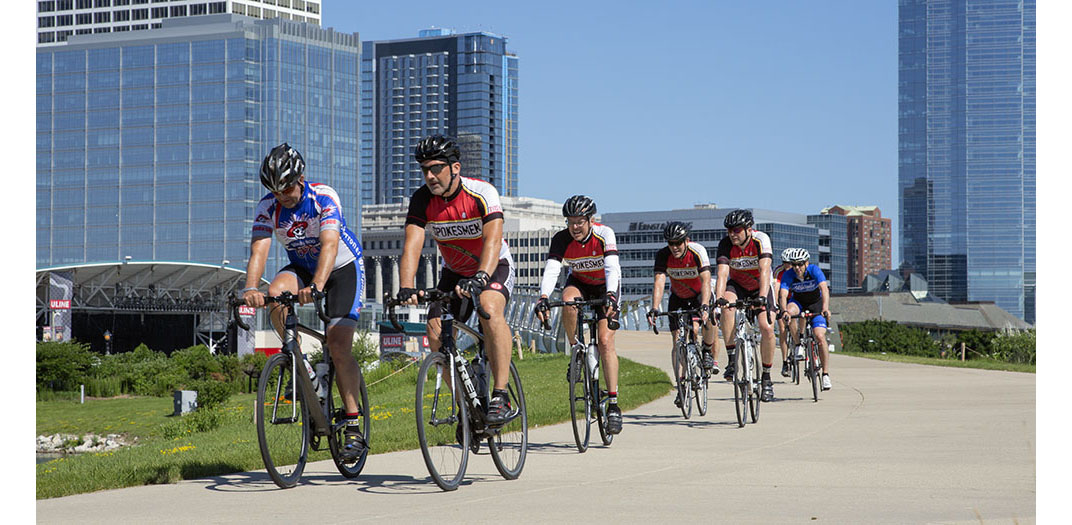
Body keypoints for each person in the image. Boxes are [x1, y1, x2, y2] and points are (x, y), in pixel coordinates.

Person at [242, 142, 367, 461]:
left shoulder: (323, 197)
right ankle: (304, 369)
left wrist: (318, 286)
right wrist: (250, 288)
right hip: (302, 266)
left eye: (285, 187)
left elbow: (329, 244)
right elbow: (259, 250)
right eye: (275, 189)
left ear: (301, 178)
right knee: (274, 297)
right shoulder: (267, 206)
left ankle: (353, 423)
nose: (281, 195)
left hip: (340, 268)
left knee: (339, 346)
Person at [396, 135, 517, 426]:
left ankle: (501, 394)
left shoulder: (481, 192)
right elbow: (411, 245)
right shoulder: (422, 199)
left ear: (455, 168)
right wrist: (405, 286)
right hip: (454, 272)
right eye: (424, 169)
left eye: (436, 168)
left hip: (493, 266)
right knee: (436, 332)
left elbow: (492, 240)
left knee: (489, 306)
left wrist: (481, 277)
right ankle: (467, 405)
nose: (429, 175)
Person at [533, 195, 624, 434]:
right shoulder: (561, 239)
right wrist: (543, 297)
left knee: (605, 341)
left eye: (579, 222)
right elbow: (552, 270)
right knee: (567, 301)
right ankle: (576, 349)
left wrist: (612, 295)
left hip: (605, 286)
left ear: (590, 220)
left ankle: (613, 404)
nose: (574, 227)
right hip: (580, 283)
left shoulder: (605, 235)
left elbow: (612, 268)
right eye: (570, 222)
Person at [646, 221, 719, 407]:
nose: (675, 247)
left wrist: (704, 305)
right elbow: (659, 281)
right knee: (677, 340)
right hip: (677, 296)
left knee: (703, 323)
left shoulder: (697, 252)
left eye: (678, 243)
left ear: (687, 240)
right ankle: (681, 384)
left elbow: (705, 280)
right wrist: (654, 307)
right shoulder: (663, 255)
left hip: (698, 294)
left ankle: (708, 349)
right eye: (671, 243)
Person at [714, 209, 778, 402]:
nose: (732, 234)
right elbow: (723, 274)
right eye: (729, 230)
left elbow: (765, 269)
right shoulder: (726, 244)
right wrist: (718, 299)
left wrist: (760, 297)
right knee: (727, 306)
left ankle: (766, 378)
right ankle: (732, 358)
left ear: (749, 229)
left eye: (737, 230)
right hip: (738, 286)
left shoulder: (760, 240)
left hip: (760, 285)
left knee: (766, 328)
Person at [777, 248, 833, 390]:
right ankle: (798, 344)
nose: (797, 268)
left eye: (800, 264)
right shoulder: (789, 274)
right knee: (790, 312)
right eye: (794, 264)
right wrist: (784, 311)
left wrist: (825, 308)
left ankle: (825, 374)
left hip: (816, 304)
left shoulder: (814, 270)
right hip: (798, 302)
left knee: (820, 337)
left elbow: (824, 290)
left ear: (806, 263)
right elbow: (783, 295)